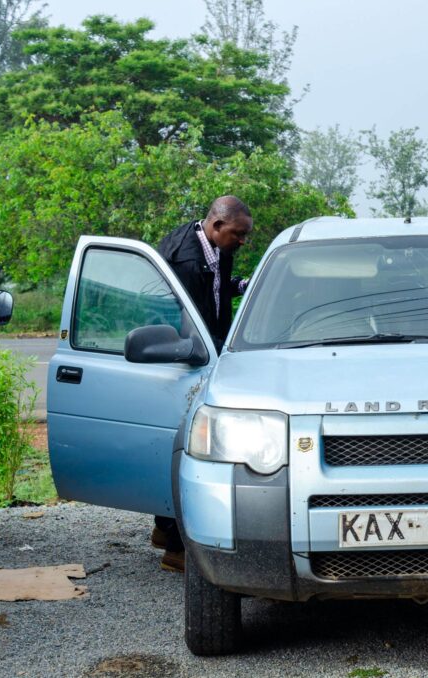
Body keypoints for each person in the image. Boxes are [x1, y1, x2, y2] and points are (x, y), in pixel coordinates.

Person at [151, 195, 254, 572]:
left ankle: (164, 529)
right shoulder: (188, 262)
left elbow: (218, 289)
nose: (243, 242)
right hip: (186, 362)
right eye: (238, 235)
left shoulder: (209, 246)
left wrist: (245, 285)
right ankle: (177, 549)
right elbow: (189, 317)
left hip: (206, 356)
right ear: (216, 227)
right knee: (191, 451)